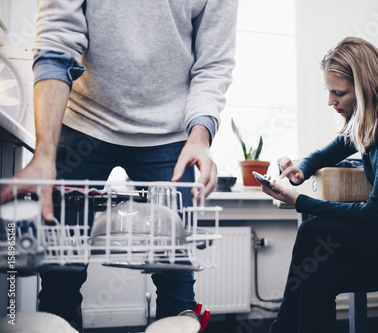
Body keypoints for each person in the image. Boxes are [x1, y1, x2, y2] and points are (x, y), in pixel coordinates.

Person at [0, 0, 238, 331]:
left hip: (168, 133)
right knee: (60, 272)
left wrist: (199, 137)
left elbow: (213, 65)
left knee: (176, 277)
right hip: (82, 120)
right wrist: (43, 155)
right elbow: (57, 39)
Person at [259, 37, 378, 332]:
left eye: (339, 92)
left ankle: (279, 329)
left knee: (312, 229)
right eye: (328, 91)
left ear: (365, 88)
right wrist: (301, 170)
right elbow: (330, 151)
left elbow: (376, 215)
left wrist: (298, 200)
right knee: (320, 273)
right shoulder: (374, 119)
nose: (331, 101)